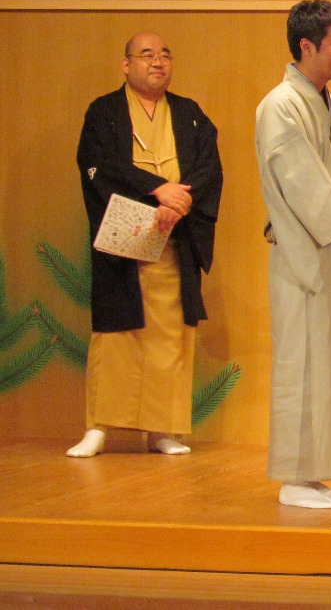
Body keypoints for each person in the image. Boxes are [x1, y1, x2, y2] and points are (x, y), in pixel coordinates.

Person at [68, 31, 223, 458]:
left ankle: (160, 430)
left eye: (164, 55)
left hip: (175, 236)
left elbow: (209, 168)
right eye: (147, 54)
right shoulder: (104, 111)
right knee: (116, 335)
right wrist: (157, 190)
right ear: (126, 65)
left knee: (170, 336)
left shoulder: (190, 114)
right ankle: (98, 427)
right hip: (126, 235)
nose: (157, 62)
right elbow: (97, 164)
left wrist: (180, 201)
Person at [255, 0, 331, 509]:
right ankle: (293, 478)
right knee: (301, 364)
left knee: (326, 365)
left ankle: (314, 474)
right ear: (307, 46)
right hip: (301, 256)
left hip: (328, 250)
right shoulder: (280, 104)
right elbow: (301, 180)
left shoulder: (324, 102)